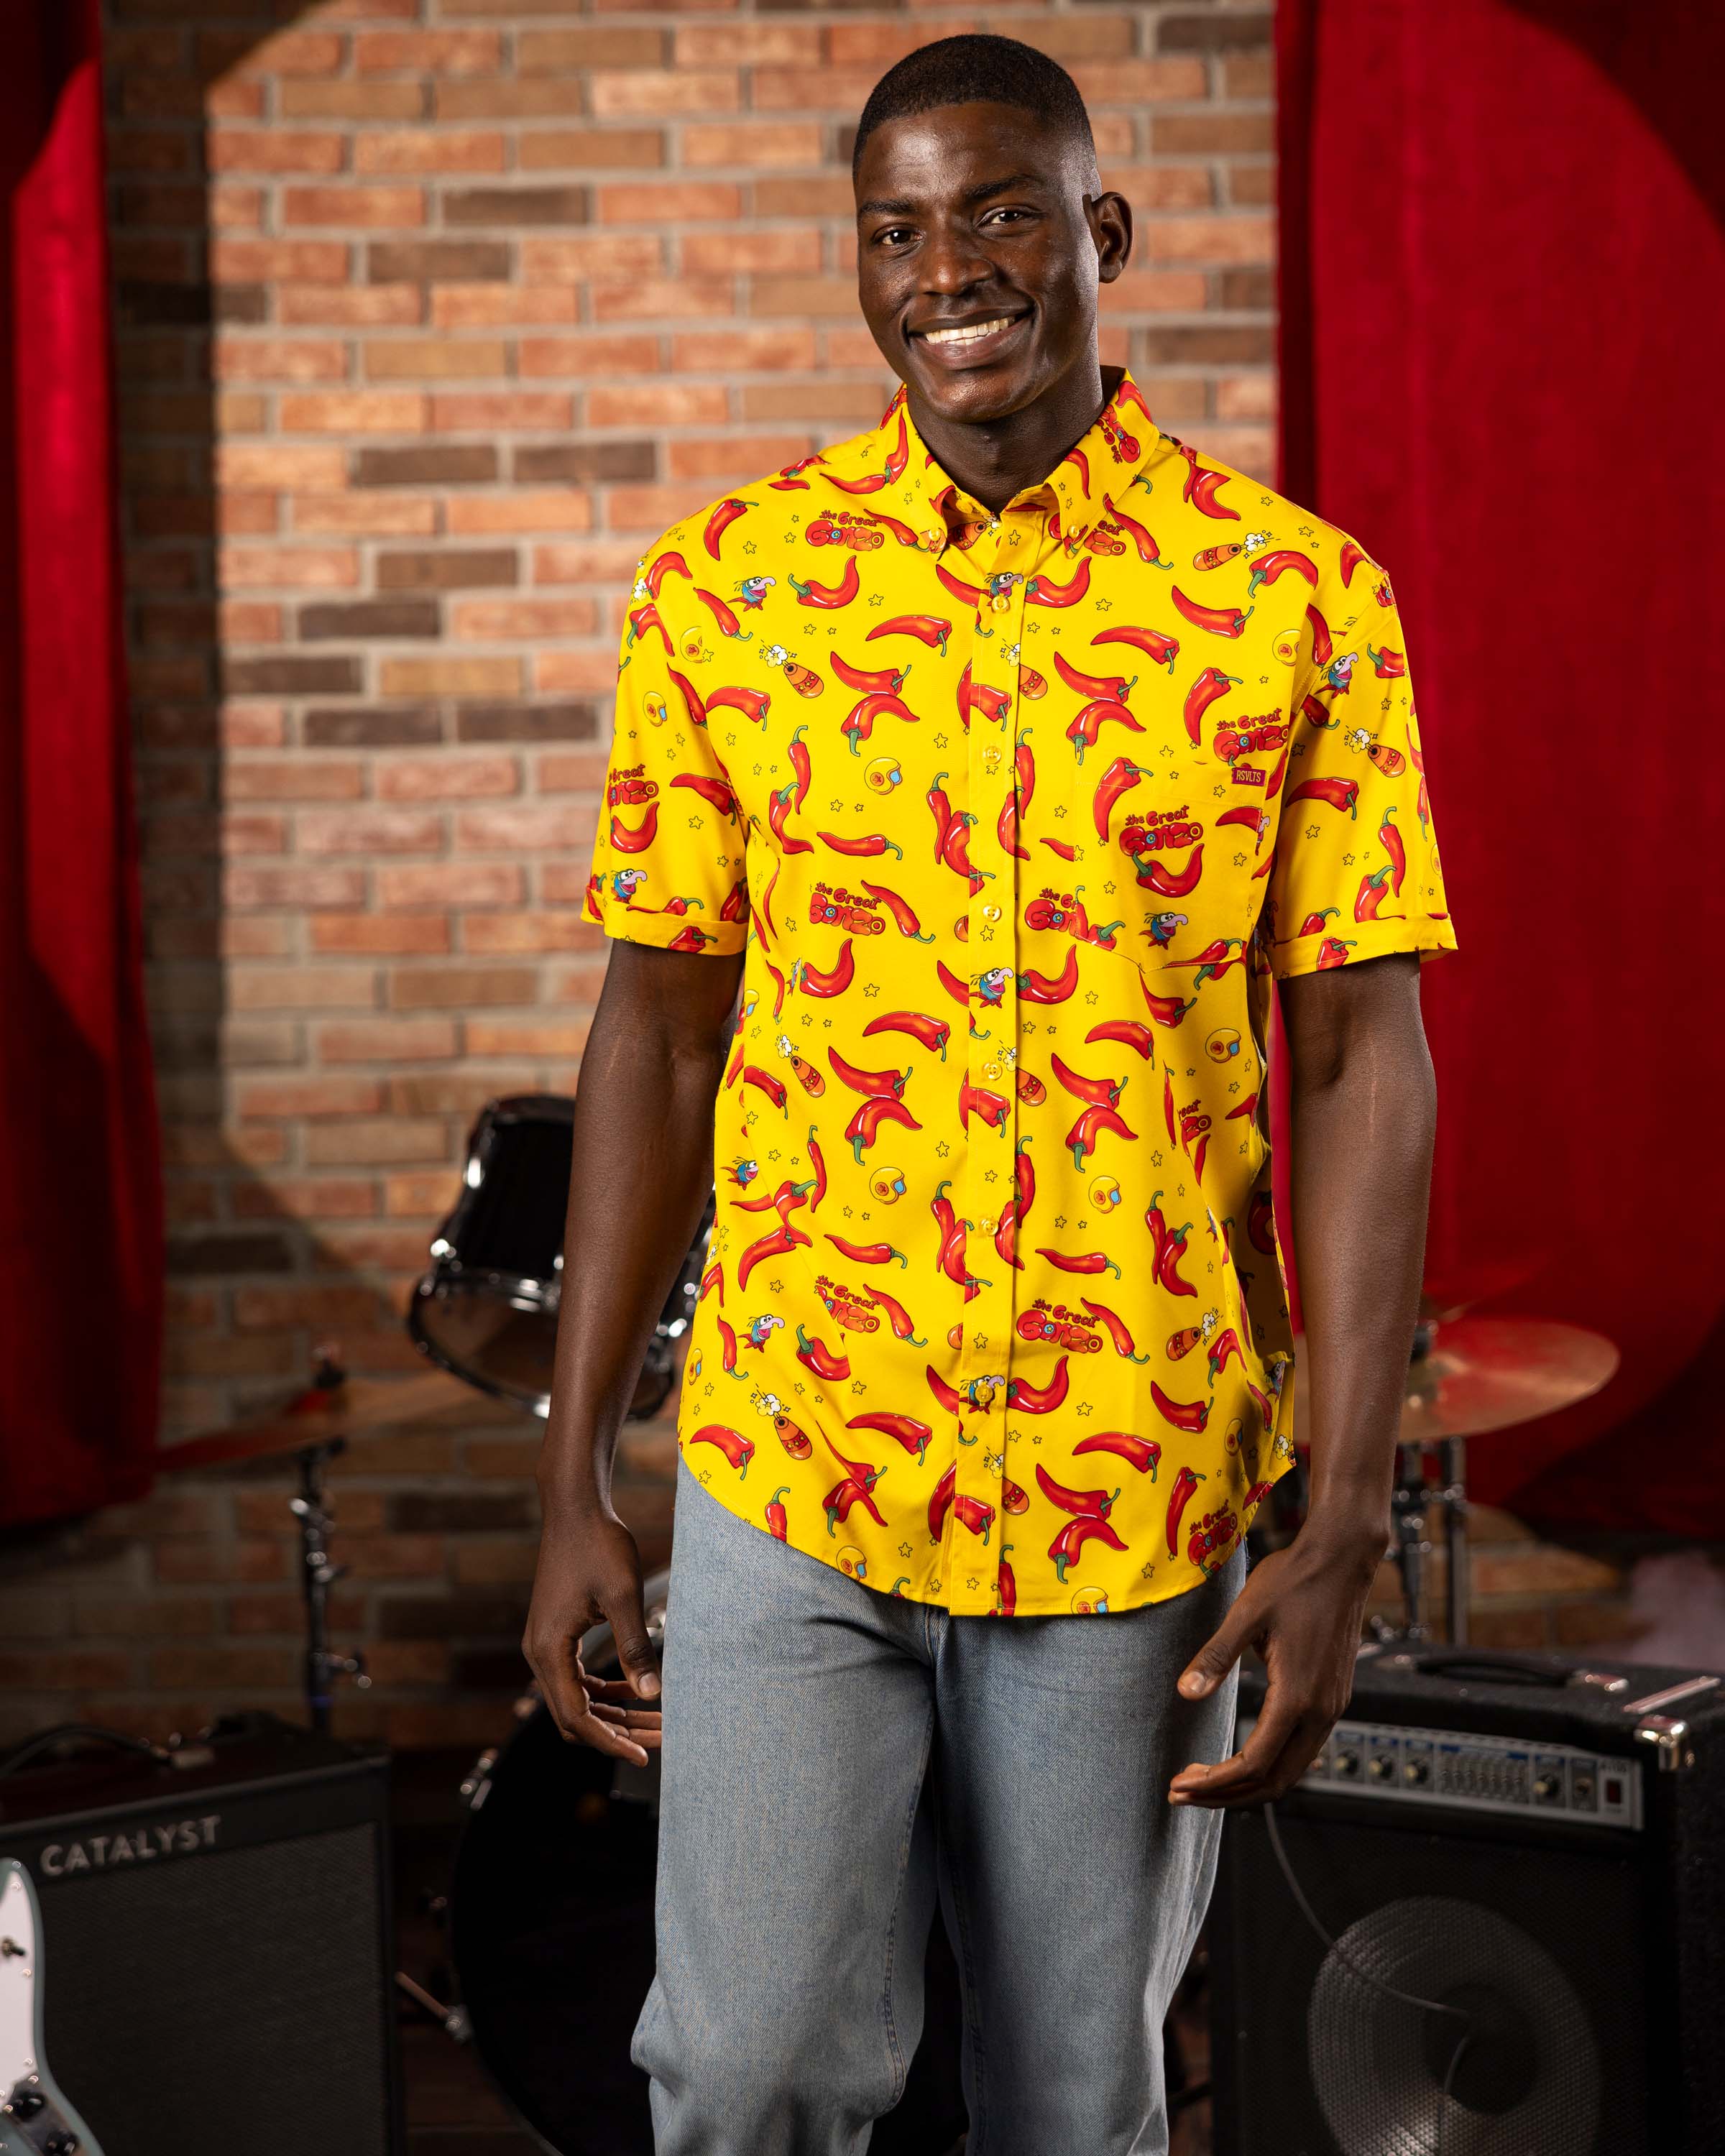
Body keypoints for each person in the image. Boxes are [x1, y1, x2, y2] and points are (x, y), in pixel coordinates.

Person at [525, 32, 1455, 2155]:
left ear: (1101, 231)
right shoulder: (729, 590)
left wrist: (1343, 1515)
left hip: (1136, 1487)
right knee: (744, 2075)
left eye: (1004, 213)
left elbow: (1356, 1058)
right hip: (799, 1461)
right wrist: (573, 1470)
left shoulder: (1297, 602)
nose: (948, 272)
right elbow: (655, 1031)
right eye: (898, 231)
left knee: (1072, 2101)